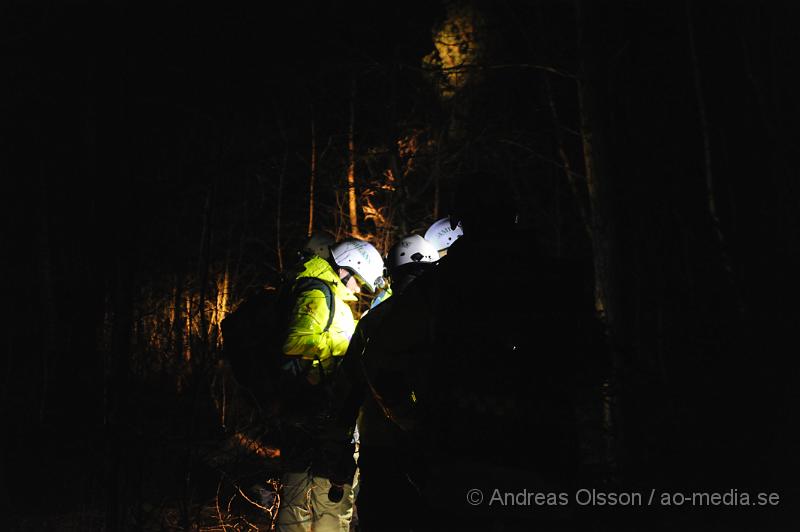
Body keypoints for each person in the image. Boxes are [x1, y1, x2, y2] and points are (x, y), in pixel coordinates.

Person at [340, 170, 610, 530]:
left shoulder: (439, 286)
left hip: (460, 470)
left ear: (462, 222)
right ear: (514, 215)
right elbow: (596, 366)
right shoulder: (555, 280)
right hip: (544, 465)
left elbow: (378, 358)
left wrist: (411, 421)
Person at [323, 234, 440, 531]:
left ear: (392, 275)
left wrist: (340, 449)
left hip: (380, 448)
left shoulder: (373, 321)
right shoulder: (447, 319)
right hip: (435, 448)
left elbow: (347, 391)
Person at [275, 238, 384, 532]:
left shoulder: (326, 291)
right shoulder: (318, 291)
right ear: (349, 266)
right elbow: (296, 341)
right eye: (359, 281)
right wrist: (348, 346)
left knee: (308, 494)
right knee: (321, 497)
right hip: (313, 411)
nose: (359, 289)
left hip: (314, 410)